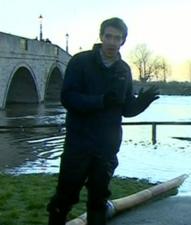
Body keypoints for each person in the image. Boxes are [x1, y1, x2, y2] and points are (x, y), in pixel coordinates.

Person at [47, 17, 159, 225]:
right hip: (78, 144)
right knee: (63, 199)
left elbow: (125, 109)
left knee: (98, 201)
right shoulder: (80, 62)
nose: (112, 42)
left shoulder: (123, 70)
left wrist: (142, 103)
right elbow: (68, 98)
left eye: (117, 38)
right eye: (108, 36)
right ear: (101, 37)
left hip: (107, 147)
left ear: (123, 41)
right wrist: (100, 101)